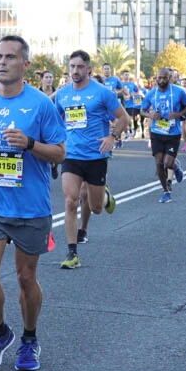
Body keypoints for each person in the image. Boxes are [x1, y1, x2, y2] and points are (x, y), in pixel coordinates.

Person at [0, 36, 65, 371]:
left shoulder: (41, 105)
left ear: (26, 64)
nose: (2, 62)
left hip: (30, 206)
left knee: (25, 278)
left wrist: (30, 143)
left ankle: (29, 339)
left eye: (10, 57)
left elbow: (60, 152)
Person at [55, 50, 129, 269]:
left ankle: (104, 196)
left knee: (96, 207)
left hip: (96, 156)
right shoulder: (62, 95)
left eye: (79, 67)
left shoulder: (102, 93)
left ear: (88, 69)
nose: (75, 71)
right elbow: (54, 120)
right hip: (72, 155)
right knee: (70, 201)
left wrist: (112, 136)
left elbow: (123, 117)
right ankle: (72, 253)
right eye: (72, 67)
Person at [141, 66, 186, 203]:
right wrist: (150, 114)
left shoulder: (179, 91)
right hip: (157, 132)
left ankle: (175, 166)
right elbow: (142, 110)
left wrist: (179, 114)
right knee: (158, 162)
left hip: (173, 132)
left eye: (164, 78)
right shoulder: (151, 93)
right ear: (156, 78)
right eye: (159, 78)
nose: (161, 80)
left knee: (168, 162)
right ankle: (166, 191)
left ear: (169, 78)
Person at [120, 70, 145, 139]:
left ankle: (132, 129)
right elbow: (117, 92)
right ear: (122, 76)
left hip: (131, 105)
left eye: (128, 75)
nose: (127, 76)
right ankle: (126, 132)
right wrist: (122, 95)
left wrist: (131, 95)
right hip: (122, 104)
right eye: (125, 74)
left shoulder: (132, 84)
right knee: (123, 119)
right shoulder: (120, 84)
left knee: (131, 118)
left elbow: (138, 92)